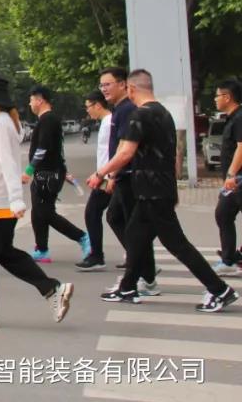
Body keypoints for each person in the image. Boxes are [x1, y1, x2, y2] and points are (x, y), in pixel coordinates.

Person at [96, 70, 238, 313]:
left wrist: (101, 173)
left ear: (131, 89)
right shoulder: (163, 113)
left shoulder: (140, 115)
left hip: (153, 192)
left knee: (176, 243)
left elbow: (126, 152)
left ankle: (219, 290)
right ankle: (127, 287)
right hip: (157, 189)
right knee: (135, 236)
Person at [0, 73, 74, 328]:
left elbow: (8, 164)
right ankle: (51, 289)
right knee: (4, 254)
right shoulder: (1, 123)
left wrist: (16, 200)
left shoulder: (0, 125)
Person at [94, 66, 159, 295]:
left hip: (131, 177)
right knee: (117, 219)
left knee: (136, 229)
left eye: (108, 84)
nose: (104, 89)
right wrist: (113, 175)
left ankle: (144, 276)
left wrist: (107, 173)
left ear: (123, 85)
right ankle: (143, 271)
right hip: (123, 175)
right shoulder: (120, 109)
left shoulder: (128, 109)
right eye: (102, 85)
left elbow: (126, 149)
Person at [24, 85, 90, 262]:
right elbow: (57, 149)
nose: (30, 104)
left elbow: (43, 148)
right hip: (48, 172)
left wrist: (29, 170)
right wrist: (64, 171)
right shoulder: (48, 119)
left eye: (31, 100)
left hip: (47, 174)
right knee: (38, 212)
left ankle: (82, 237)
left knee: (45, 212)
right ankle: (42, 250)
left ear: (40, 100)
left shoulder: (48, 119)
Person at [77, 90, 119, 271]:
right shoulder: (105, 122)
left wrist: (109, 176)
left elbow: (116, 152)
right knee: (118, 218)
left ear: (98, 105)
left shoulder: (110, 123)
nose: (87, 111)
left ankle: (97, 256)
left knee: (93, 213)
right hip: (104, 175)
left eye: (88, 107)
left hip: (109, 178)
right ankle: (139, 257)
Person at [213, 79, 242, 276]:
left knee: (223, 214)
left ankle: (229, 260)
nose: (215, 99)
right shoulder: (233, 118)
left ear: (227, 97)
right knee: (223, 214)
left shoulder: (239, 118)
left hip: (238, 179)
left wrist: (231, 174)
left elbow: (241, 147)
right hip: (234, 180)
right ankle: (230, 258)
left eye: (217, 96)